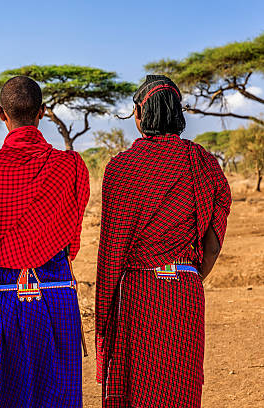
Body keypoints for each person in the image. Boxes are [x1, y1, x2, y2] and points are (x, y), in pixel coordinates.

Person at [95, 75, 231, 407]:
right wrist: (189, 274)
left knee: (136, 389)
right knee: (180, 388)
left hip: (139, 292)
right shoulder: (204, 163)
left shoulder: (121, 169)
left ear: (139, 116)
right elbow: (212, 245)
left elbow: (112, 254)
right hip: (186, 292)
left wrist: (103, 317)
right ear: (178, 115)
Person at [0, 76, 90, 408]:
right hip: (57, 296)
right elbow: (72, 241)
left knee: (4, 395)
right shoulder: (72, 166)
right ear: (42, 113)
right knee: (60, 397)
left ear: (0, 114)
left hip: (7, 299)